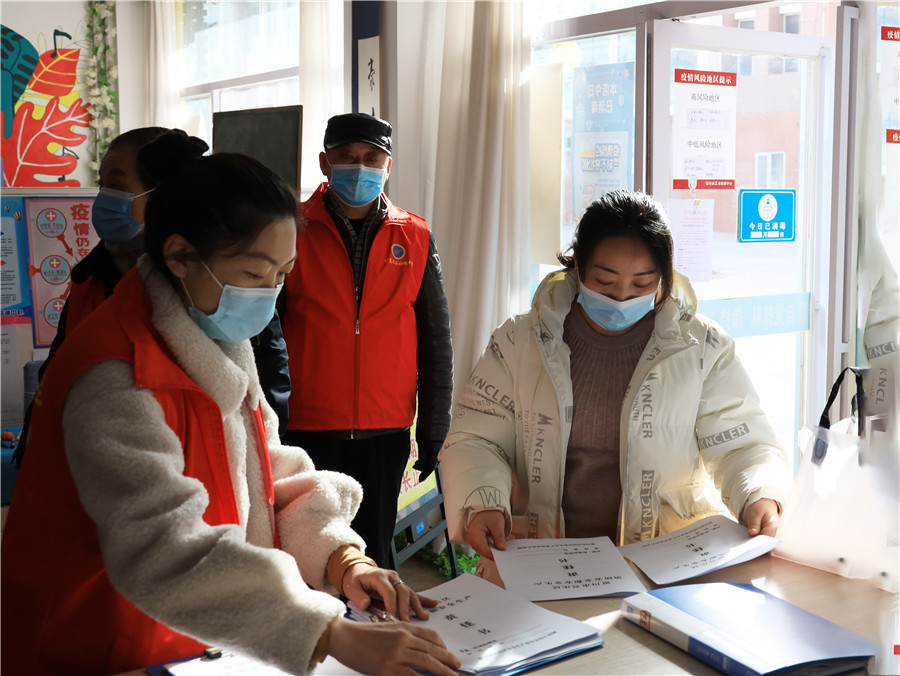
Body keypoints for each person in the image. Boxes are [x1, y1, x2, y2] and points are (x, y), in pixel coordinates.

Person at [0, 135, 461, 676]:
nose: (268, 293)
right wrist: (328, 632)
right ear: (179, 255)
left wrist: (343, 559)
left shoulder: (213, 331)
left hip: (190, 640)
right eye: (254, 274)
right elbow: (166, 552)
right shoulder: (115, 373)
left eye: (283, 274)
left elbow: (266, 470)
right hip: (95, 643)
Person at [439, 189, 792, 584]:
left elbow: (742, 444)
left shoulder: (701, 346)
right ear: (577, 264)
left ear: (665, 275)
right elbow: (477, 437)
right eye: (604, 283)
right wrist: (483, 501)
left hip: (660, 561)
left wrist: (759, 493)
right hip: (544, 558)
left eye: (642, 284)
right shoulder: (520, 341)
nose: (622, 297)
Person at [11, 129, 292, 470]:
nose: (103, 197)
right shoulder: (92, 283)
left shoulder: (226, 284)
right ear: (177, 256)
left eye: (117, 185)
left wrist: (265, 463)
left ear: (161, 193)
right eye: (103, 185)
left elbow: (264, 391)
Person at [281, 113, 454, 569]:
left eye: (372, 159)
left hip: (386, 430)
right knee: (307, 554)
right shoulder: (292, 228)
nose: (360, 168)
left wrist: (434, 427)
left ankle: (379, 617)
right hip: (307, 426)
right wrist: (272, 421)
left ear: (388, 166)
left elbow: (435, 340)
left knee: (375, 553)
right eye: (347, 157)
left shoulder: (415, 235)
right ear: (324, 163)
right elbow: (268, 334)